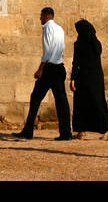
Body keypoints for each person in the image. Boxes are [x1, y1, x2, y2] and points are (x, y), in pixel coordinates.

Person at [14, 7, 73, 140]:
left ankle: (28, 131)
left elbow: (48, 51)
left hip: (50, 69)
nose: (40, 18)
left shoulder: (47, 28)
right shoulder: (60, 29)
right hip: (59, 67)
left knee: (35, 98)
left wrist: (40, 68)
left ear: (47, 16)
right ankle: (66, 132)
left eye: (41, 16)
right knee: (61, 101)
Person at [70, 19, 108, 139]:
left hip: (83, 76)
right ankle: (101, 128)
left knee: (82, 103)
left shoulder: (79, 44)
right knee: (97, 101)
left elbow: (76, 62)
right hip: (96, 77)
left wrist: (73, 78)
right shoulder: (96, 43)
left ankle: (84, 129)